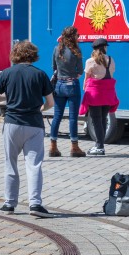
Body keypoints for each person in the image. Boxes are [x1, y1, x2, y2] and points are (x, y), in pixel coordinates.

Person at [0, 41, 55, 218]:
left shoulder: (7, 73)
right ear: (33, 55)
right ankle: (35, 204)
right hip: (34, 124)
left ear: (15, 55)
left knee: (10, 163)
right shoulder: (40, 74)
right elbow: (50, 103)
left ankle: (9, 204)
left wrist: (9, 100)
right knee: (33, 165)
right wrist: (40, 109)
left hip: (12, 123)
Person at [49, 26, 85, 157]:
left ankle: (53, 146)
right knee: (72, 117)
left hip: (59, 85)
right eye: (77, 35)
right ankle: (74, 147)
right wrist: (74, 74)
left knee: (57, 116)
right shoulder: (76, 50)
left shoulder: (56, 49)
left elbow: (53, 67)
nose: (78, 37)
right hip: (72, 85)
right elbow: (80, 70)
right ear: (72, 36)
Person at [78, 39, 118, 156]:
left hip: (95, 93)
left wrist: (85, 89)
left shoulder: (90, 61)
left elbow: (86, 78)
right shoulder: (110, 59)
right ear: (104, 47)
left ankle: (99, 146)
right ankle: (100, 144)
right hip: (108, 93)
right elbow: (112, 73)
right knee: (103, 118)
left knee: (96, 120)